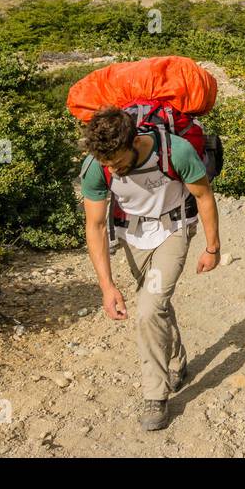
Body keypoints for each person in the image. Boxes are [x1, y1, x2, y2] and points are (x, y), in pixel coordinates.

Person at [79, 106, 221, 431]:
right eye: (106, 164)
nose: (112, 170)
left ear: (134, 142)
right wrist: (107, 286)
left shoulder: (176, 151)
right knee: (157, 304)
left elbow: (203, 196)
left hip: (174, 230)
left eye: (116, 162)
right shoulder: (96, 167)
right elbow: (96, 225)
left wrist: (212, 247)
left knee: (148, 308)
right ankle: (176, 360)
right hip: (132, 236)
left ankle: (155, 395)